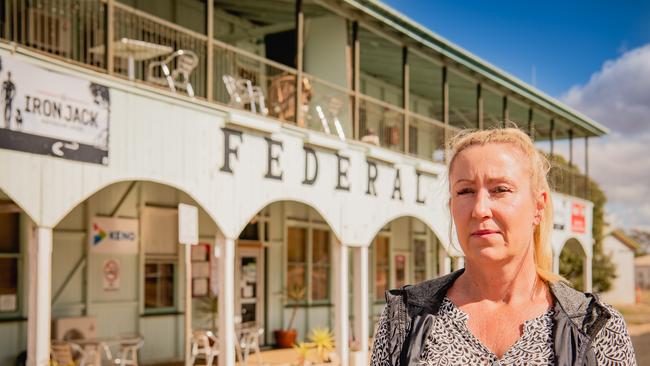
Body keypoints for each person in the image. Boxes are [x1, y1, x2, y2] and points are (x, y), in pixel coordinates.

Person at [370, 127, 636, 365]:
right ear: (452, 205)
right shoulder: (404, 318)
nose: (480, 209)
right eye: (465, 191)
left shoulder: (594, 327)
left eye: (500, 189)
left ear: (539, 206)